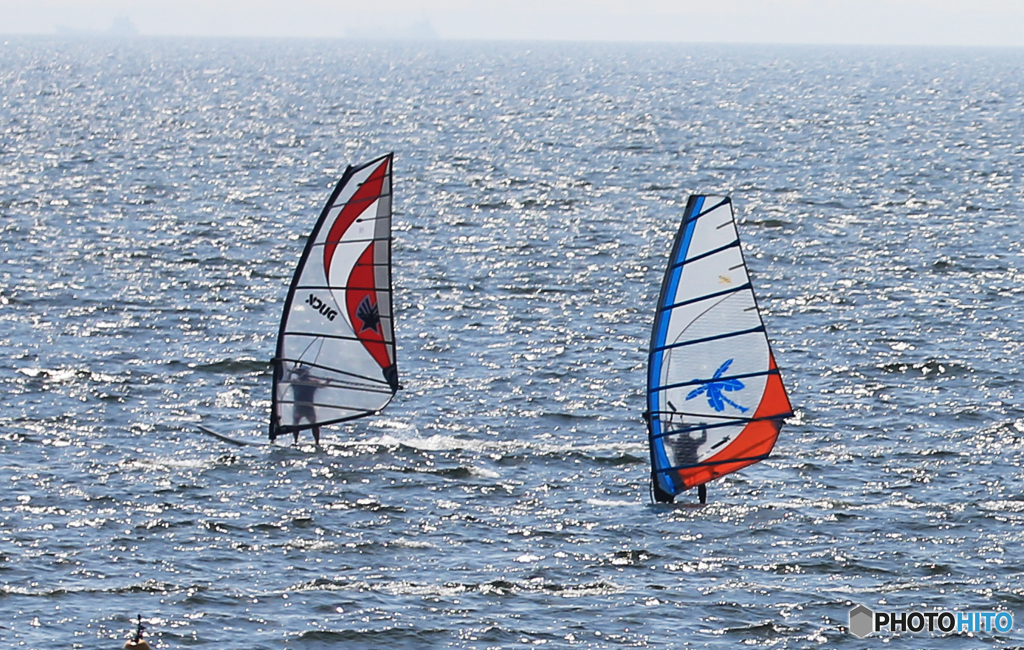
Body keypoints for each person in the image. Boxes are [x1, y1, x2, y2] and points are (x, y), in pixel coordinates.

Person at [289, 364, 325, 444]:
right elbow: (287, 380)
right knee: (296, 424)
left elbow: (322, 386)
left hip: (307, 407)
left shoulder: (311, 382)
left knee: (313, 425)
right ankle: (296, 441)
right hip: (300, 406)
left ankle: (316, 442)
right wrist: (291, 372)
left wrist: (328, 381)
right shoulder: (296, 382)